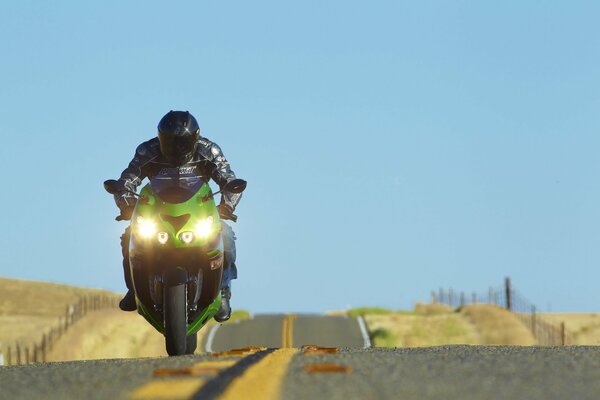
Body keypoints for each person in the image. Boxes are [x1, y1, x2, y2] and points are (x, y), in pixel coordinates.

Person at [113, 110, 241, 322]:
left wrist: (227, 205)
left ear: (195, 138)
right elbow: (127, 180)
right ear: (161, 138)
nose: (177, 147)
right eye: (171, 141)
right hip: (158, 212)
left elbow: (229, 179)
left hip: (197, 210)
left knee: (225, 235)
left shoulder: (209, 150)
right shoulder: (147, 150)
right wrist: (126, 204)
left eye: (182, 142)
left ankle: (224, 290)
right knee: (130, 235)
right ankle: (133, 289)